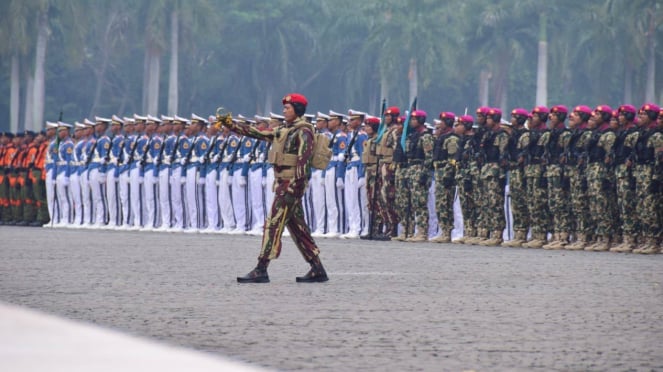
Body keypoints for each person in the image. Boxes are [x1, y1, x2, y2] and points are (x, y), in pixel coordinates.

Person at [225, 93, 328, 283]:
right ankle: (317, 268)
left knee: (273, 224)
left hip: (290, 186)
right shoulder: (284, 130)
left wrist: (295, 188)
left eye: (287, 108)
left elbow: (303, 162)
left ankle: (261, 268)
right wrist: (231, 125)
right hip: (282, 183)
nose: (284, 111)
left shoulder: (303, 131)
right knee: (298, 229)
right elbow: (257, 133)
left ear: (297, 109)